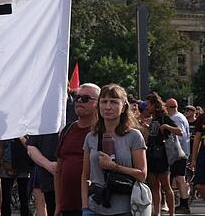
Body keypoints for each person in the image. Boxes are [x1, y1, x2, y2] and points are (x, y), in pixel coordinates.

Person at [80, 83, 147, 216]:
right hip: (95, 208)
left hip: (126, 209)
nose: (108, 107)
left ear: (123, 107)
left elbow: (142, 175)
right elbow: (85, 176)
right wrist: (85, 207)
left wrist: (115, 167)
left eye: (114, 102)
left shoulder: (133, 136)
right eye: (104, 102)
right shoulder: (91, 137)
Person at [56, 83, 99, 216]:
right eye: (77, 97)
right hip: (67, 205)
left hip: (95, 206)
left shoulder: (102, 132)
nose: (79, 101)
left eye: (85, 98)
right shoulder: (67, 130)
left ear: (98, 103)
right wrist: (58, 204)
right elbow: (59, 170)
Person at [144, 93, 182, 216]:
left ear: (155, 105)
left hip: (162, 155)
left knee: (166, 186)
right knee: (154, 185)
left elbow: (179, 131)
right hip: (151, 154)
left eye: (148, 105)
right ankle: (157, 212)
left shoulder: (164, 117)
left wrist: (166, 126)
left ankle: (172, 213)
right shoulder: (153, 118)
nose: (146, 108)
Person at [165, 98, 192, 214]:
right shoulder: (181, 116)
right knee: (180, 178)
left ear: (169, 107)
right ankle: (183, 204)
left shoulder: (176, 118)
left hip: (178, 153)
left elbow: (181, 135)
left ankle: (183, 204)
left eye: (166, 107)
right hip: (183, 152)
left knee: (179, 179)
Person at [0, 137, 31, 216]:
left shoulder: (25, 130)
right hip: (7, 165)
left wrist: (21, 136)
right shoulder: (4, 132)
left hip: (23, 166)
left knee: (24, 197)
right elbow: (1, 146)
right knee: (6, 198)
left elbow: (29, 145)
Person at [27, 133, 58, 216]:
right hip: (48, 179)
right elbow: (31, 147)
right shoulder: (40, 126)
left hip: (74, 181)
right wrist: (48, 165)